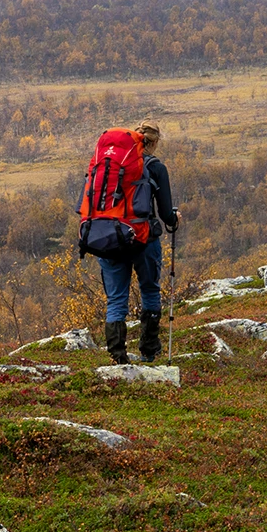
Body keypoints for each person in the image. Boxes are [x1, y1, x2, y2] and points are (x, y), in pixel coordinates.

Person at [100, 122, 180, 364]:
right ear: (154, 143)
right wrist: (174, 218)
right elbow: (166, 214)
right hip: (144, 239)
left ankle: (117, 356)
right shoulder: (156, 167)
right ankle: (149, 351)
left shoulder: (111, 164)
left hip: (109, 239)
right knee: (150, 291)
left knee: (116, 299)